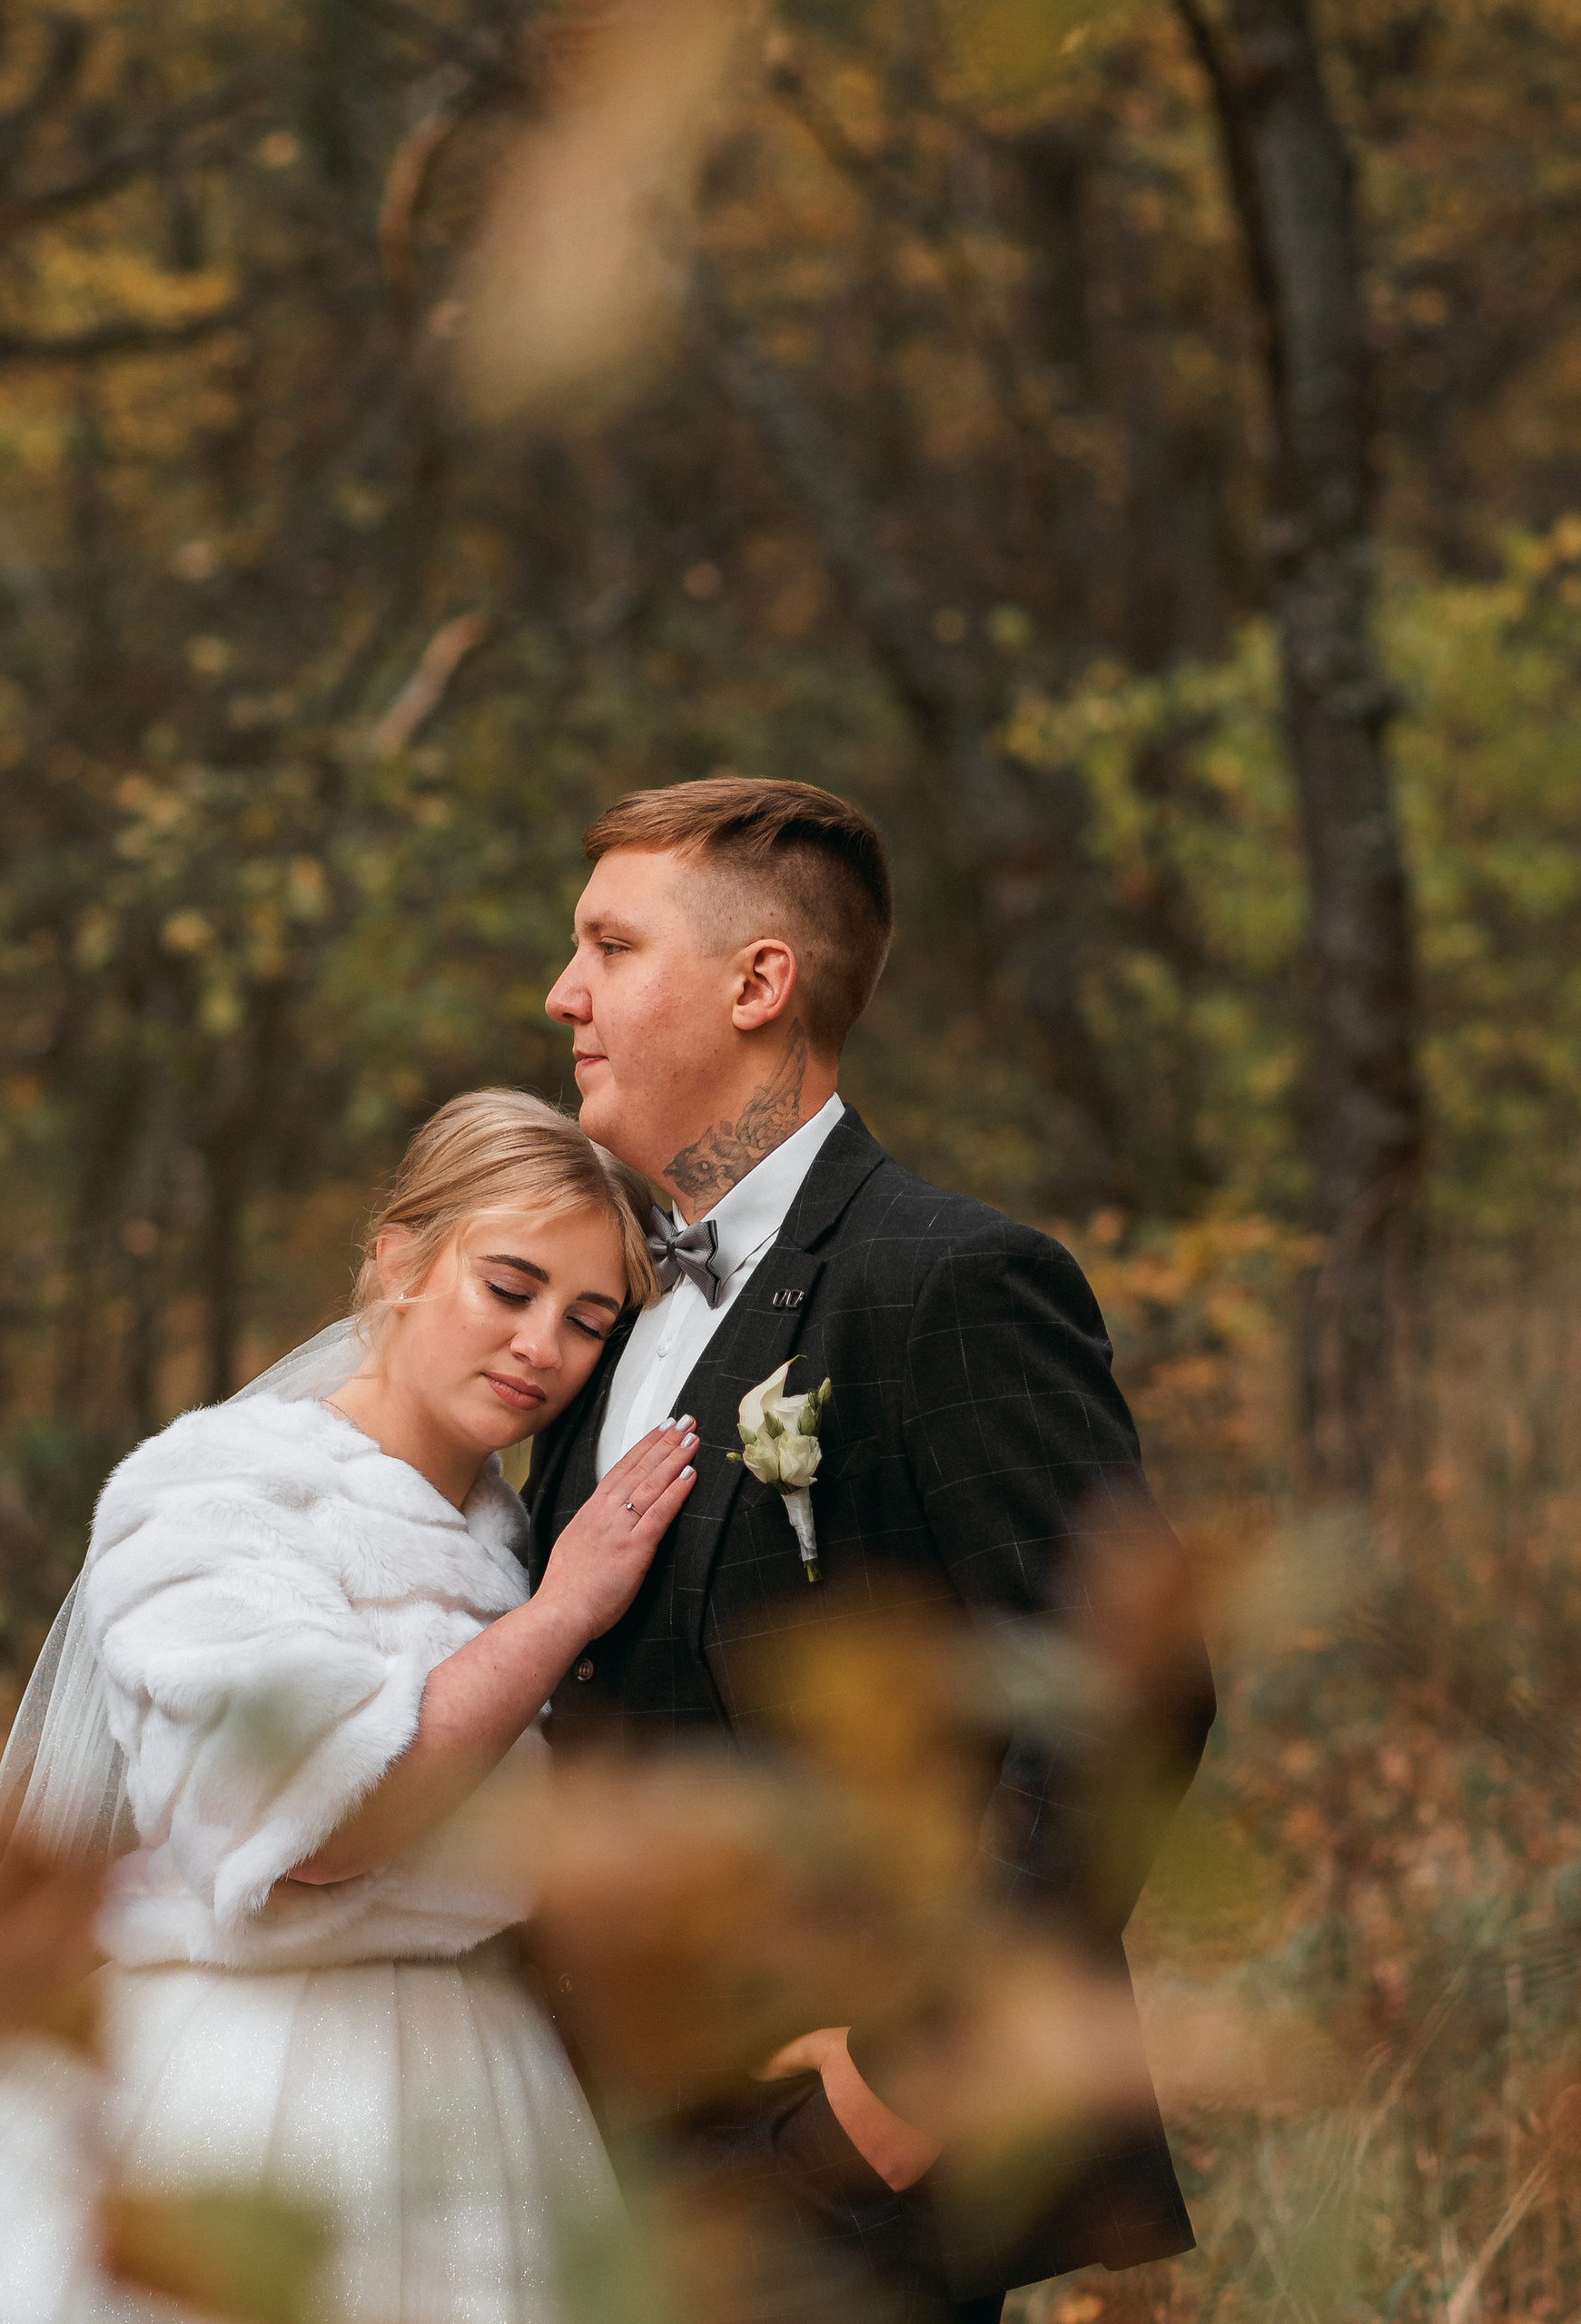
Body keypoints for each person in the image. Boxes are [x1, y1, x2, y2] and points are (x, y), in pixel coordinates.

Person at [0, 1090, 692, 2324]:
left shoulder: (511, 1538)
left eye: (588, 1321)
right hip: (239, 2084)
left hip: (480, 2083)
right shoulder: (220, 1493)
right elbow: (312, 1828)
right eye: (509, 1286)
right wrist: (561, 1617)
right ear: (398, 1259)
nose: (543, 1344)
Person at [526, 777, 1217, 2322]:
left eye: (611, 948)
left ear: (760, 984)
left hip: (834, 2190)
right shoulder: (605, 1310)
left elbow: (1129, 1696)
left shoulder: (951, 1284)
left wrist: (904, 2100)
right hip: (597, 2166)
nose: (562, 995)